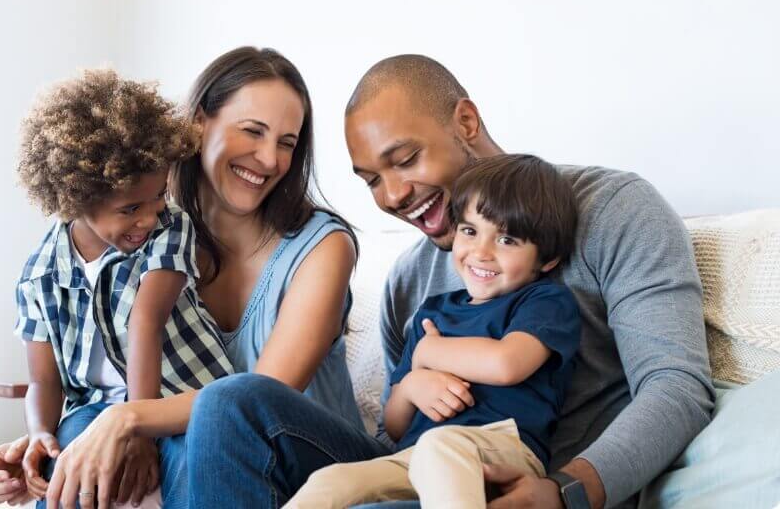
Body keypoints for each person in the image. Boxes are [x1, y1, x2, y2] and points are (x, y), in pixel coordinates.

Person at [187, 54, 714, 509]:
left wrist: (568, 491)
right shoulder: (409, 280)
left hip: (532, 477)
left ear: (465, 121)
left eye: (405, 159)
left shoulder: (614, 210)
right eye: (371, 180)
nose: (392, 195)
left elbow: (677, 387)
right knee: (229, 402)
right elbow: (397, 431)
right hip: (415, 474)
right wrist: (413, 384)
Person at [0, 46, 362, 509]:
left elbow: (254, 403)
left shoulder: (321, 246)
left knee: (219, 412)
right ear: (197, 125)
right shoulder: (141, 233)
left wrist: (128, 418)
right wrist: (43, 447)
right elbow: (92, 369)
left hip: (307, 457)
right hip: (208, 449)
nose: (269, 159)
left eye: (287, 143)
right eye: (253, 131)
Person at [286, 154, 580, 508]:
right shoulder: (433, 314)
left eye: (507, 240)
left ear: (546, 260)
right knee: (332, 480)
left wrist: (429, 354)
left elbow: (507, 364)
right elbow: (394, 426)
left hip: (500, 448)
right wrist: (411, 386)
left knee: (439, 448)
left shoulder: (543, 300)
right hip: (417, 454)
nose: (481, 253)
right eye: (470, 231)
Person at [9, 68, 232, 508]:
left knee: (193, 457)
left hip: (179, 396)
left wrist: (139, 428)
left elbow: (145, 322)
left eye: (158, 198)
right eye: (130, 208)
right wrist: (39, 433)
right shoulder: (39, 275)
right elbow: (42, 379)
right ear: (76, 198)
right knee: (66, 468)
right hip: (93, 407)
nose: (148, 218)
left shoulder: (171, 229)